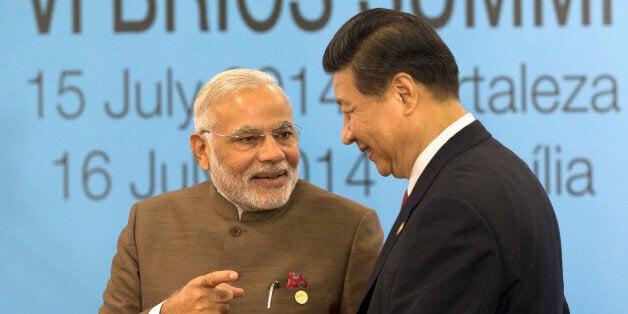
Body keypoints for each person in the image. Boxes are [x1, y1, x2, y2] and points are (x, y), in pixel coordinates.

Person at [322, 8, 569, 313]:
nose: (346, 134)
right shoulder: (503, 170)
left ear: (403, 94)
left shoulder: (452, 208)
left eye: (349, 111)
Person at [99, 68, 384, 313]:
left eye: (284, 134)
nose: (273, 154)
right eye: (248, 138)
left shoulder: (350, 228)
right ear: (202, 150)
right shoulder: (149, 222)